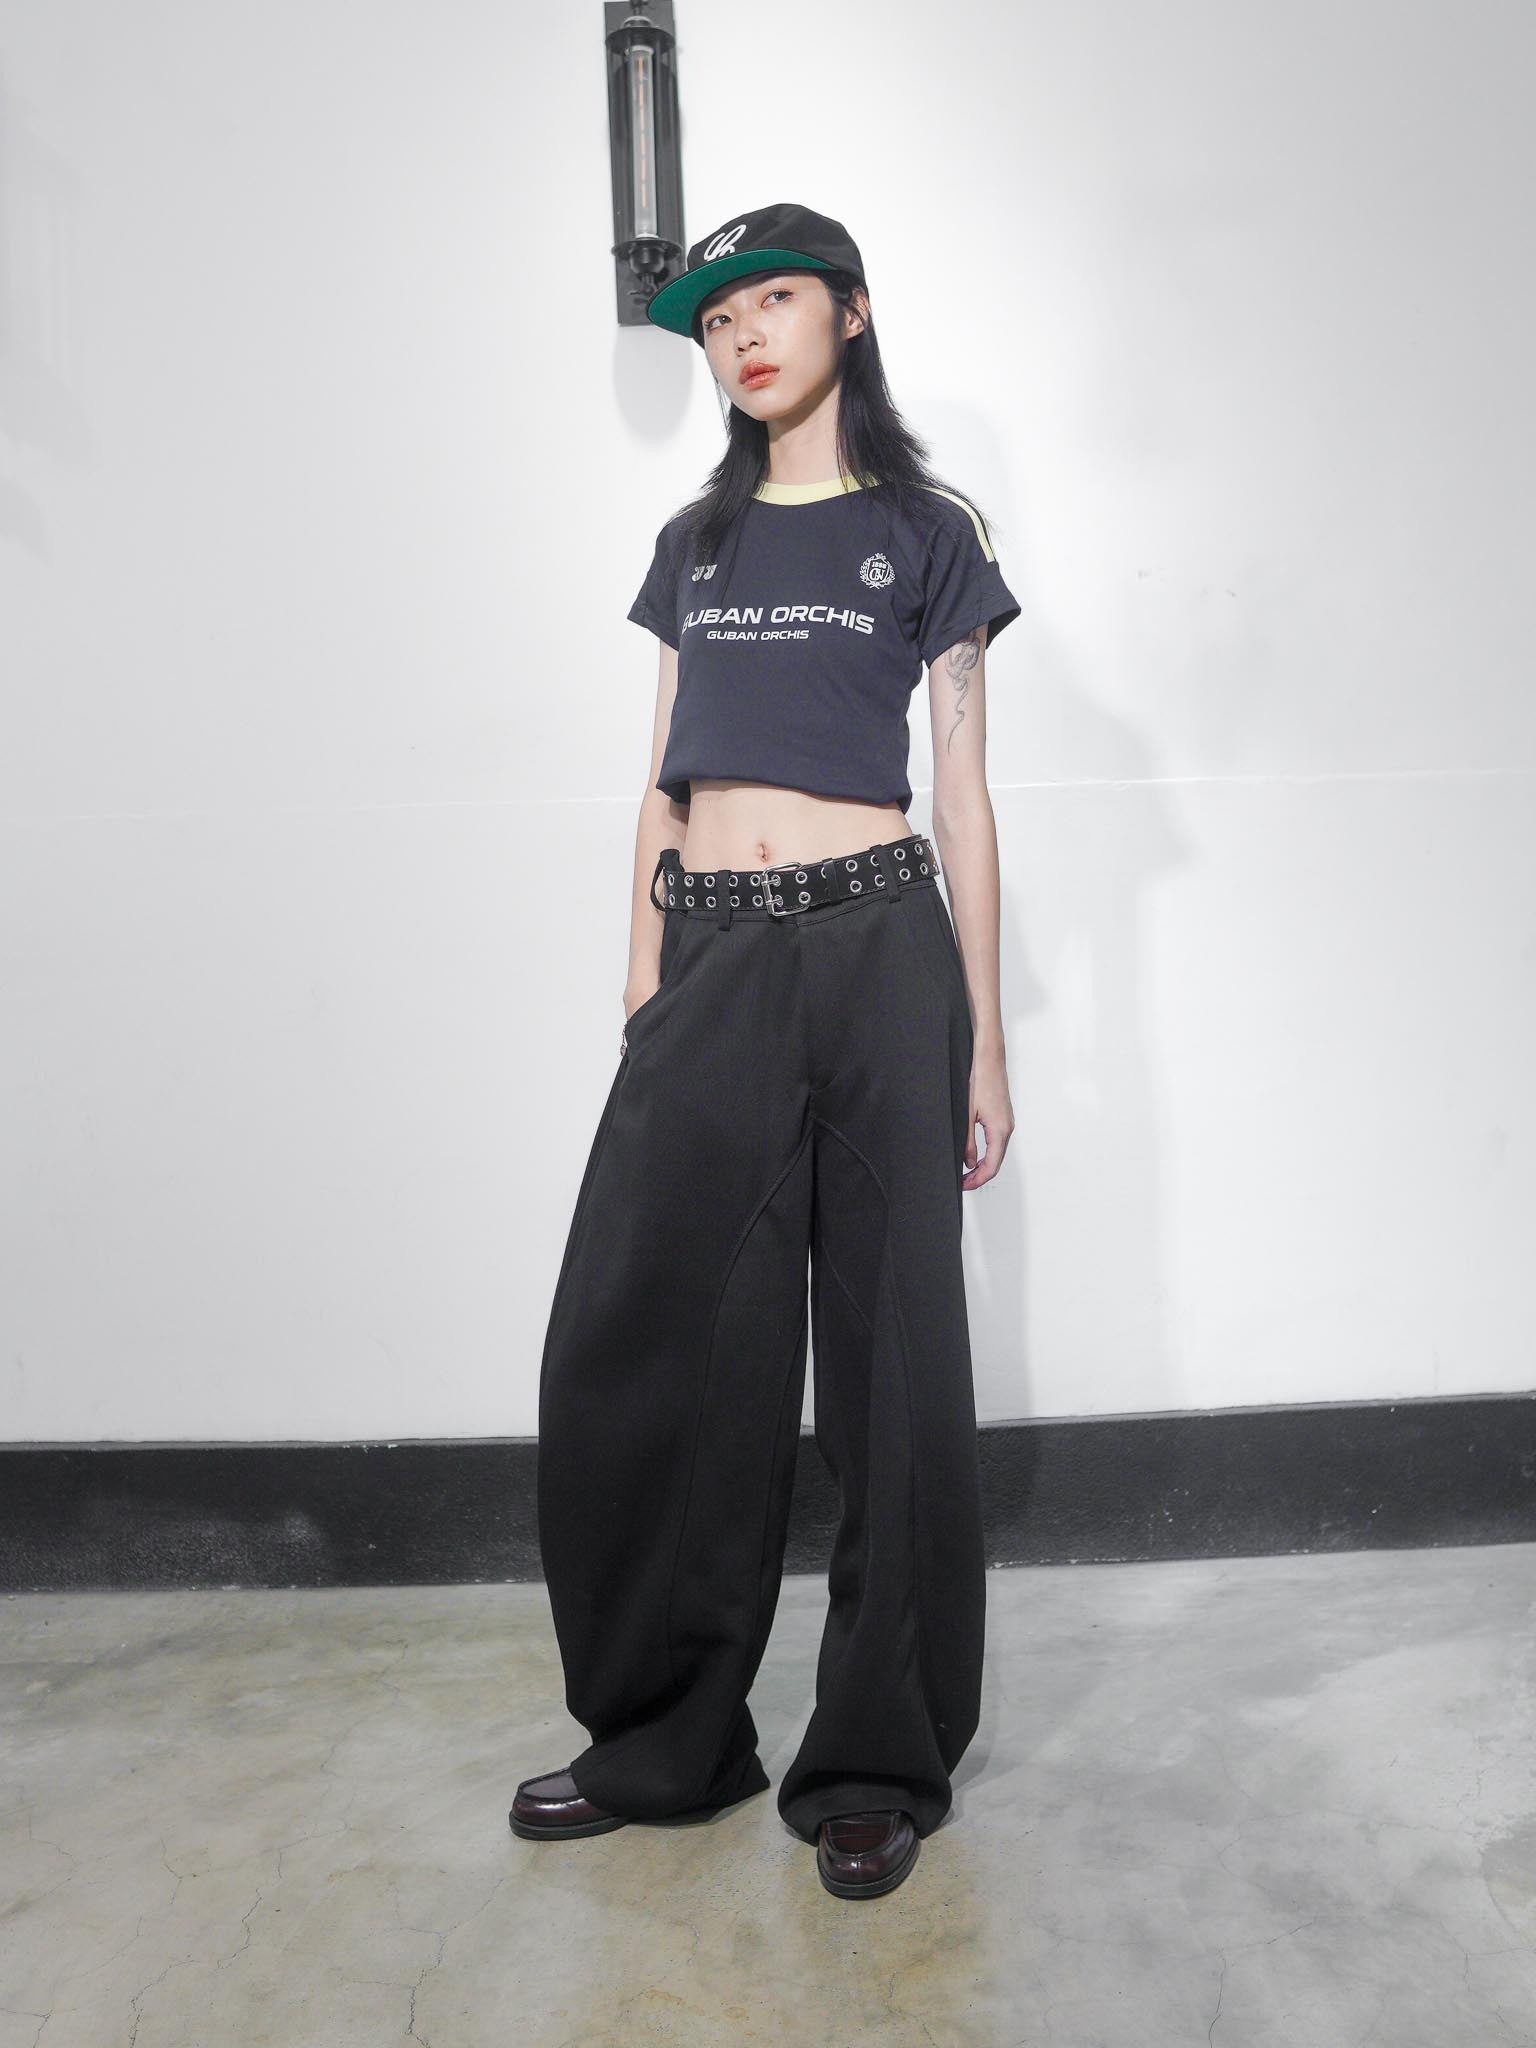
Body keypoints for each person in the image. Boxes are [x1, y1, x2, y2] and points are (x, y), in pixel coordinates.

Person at [510, 202, 1021, 1901]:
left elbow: (964, 799)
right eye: (718, 320)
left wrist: (984, 1042)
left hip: (878, 947)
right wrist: (643, 983)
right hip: (714, 958)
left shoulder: (926, 528)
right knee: (653, 1344)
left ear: (850, 316)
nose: (741, 337)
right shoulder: (698, 541)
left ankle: (876, 1758)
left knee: (890, 1363)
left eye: (774, 301)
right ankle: (669, 1739)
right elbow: (659, 783)